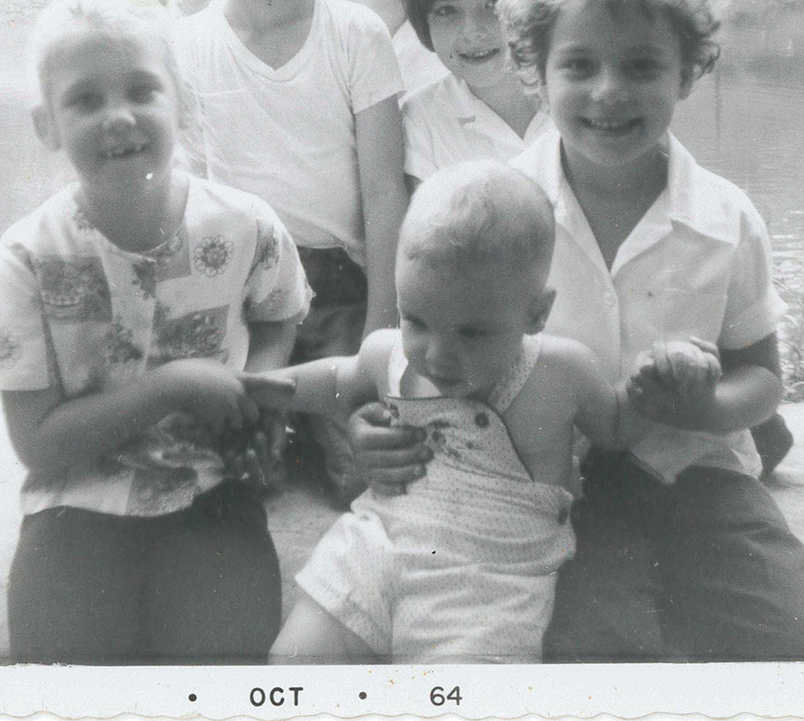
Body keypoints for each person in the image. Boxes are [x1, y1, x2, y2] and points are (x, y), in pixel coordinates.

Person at [351, 0, 804, 661]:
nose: (608, 92)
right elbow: (427, 361)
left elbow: (763, 380)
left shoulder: (725, 217)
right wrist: (378, 428)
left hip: (697, 472)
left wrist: (704, 403)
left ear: (689, 71)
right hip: (545, 485)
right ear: (536, 70)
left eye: (643, 66)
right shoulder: (491, 211)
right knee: (596, 653)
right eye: (579, 66)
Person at [244, 160, 721, 664]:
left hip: (492, 579)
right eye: (417, 320)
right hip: (378, 543)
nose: (437, 354)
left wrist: (662, 383)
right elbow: (339, 381)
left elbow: (617, 425)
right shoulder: (390, 355)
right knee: (293, 665)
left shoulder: (560, 373)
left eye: (472, 333)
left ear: (535, 313)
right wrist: (259, 387)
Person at [0, 0, 312, 664]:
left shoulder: (244, 225)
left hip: (212, 486)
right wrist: (173, 387)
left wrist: (258, 398)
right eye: (85, 100)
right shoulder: (24, 261)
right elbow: (37, 444)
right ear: (46, 125)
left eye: (140, 90)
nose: (119, 116)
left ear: (181, 101)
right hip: (75, 500)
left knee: (224, 657)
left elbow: (282, 315)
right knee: (58, 668)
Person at [175, 0, 409, 502]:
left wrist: (379, 330)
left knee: (363, 475)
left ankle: (319, 423)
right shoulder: (183, 44)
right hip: (239, 289)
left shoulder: (355, 35)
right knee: (237, 473)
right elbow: (187, 198)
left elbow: (386, 191)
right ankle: (279, 430)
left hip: (339, 286)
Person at [399, 0, 552, 191]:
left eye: (493, 4)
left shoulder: (575, 94)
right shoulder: (422, 121)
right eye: (446, 10)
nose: (472, 30)